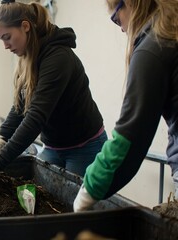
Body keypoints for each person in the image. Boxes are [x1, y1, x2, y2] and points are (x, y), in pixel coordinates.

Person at [0, 0, 107, 181]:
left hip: (84, 147)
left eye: (7, 37)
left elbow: (36, 116)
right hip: (54, 147)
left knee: (76, 206)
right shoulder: (28, 57)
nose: (5, 46)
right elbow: (20, 106)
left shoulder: (58, 57)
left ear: (25, 26)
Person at [74, 0, 178, 212]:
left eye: (115, 18)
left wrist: (89, 190)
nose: (121, 28)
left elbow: (131, 136)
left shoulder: (154, 45)